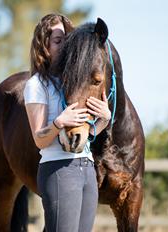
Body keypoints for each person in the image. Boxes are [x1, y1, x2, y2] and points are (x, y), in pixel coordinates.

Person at [23, 13, 111, 232]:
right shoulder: (36, 85)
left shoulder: (74, 79)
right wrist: (59, 123)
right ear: (44, 45)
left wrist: (104, 119)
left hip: (87, 168)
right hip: (59, 169)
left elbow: (89, 133)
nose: (65, 46)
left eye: (67, 40)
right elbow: (39, 140)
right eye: (58, 40)